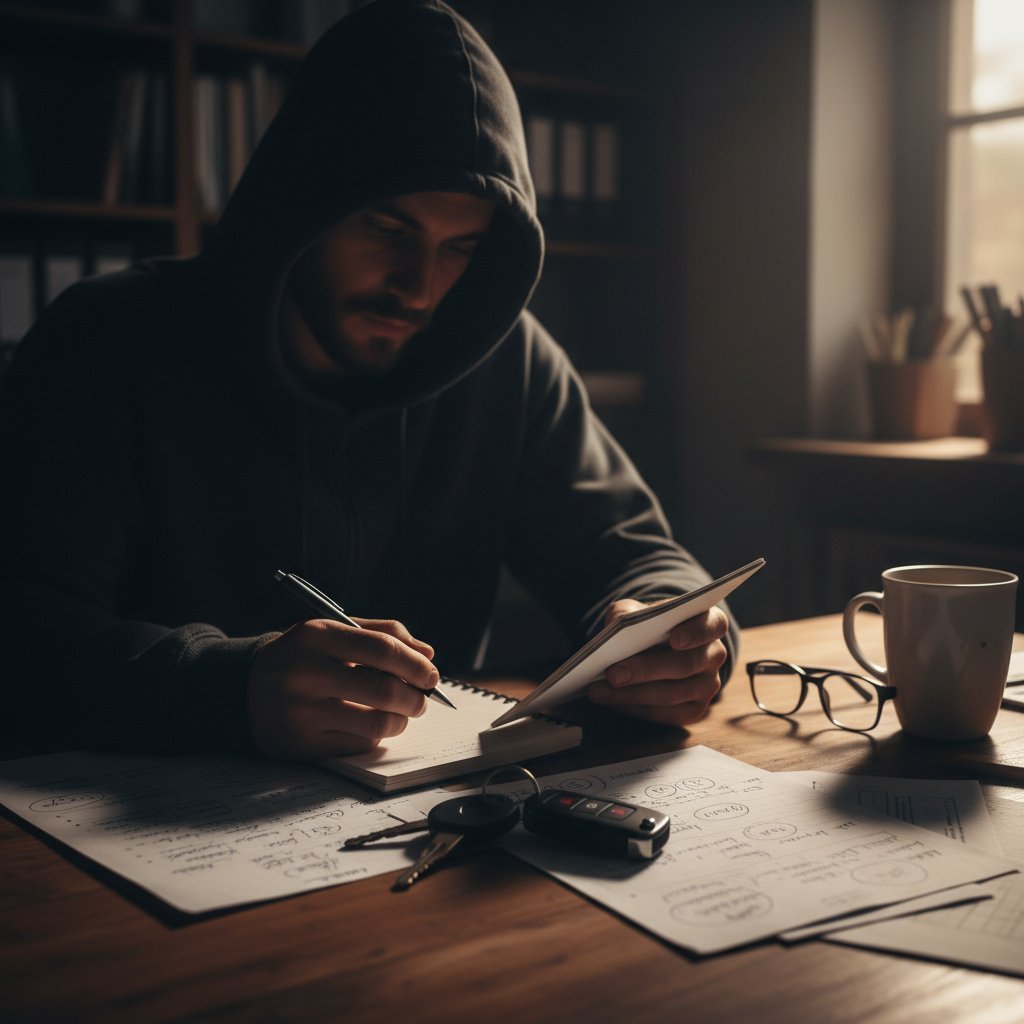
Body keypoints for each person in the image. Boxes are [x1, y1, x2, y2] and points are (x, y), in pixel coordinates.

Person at [0, 0, 737, 760]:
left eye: (460, 247)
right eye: (388, 229)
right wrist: (226, 684)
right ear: (299, 202)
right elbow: (21, 635)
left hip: (423, 816)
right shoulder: (106, 342)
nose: (419, 289)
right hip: (128, 826)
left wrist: (677, 635)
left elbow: (637, 556)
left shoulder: (507, 361)